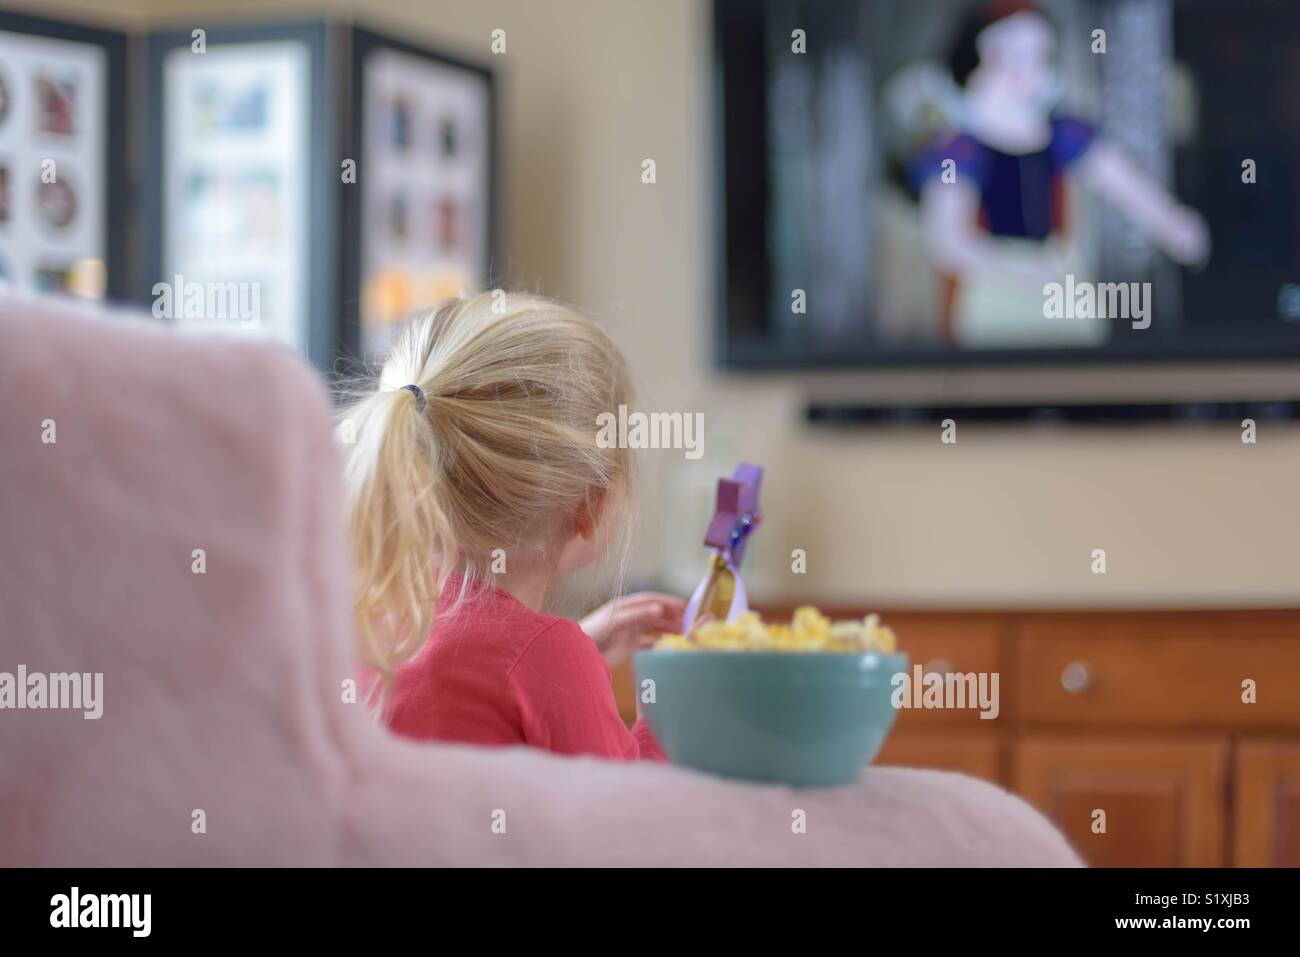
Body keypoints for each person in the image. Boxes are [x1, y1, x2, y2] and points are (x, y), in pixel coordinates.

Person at [338, 292, 682, 759]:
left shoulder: (373, 618)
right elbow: (626, 823)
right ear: (591, 504)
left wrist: (571, 651)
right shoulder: (549, 660)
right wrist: (676, 711)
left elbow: (478, 679)